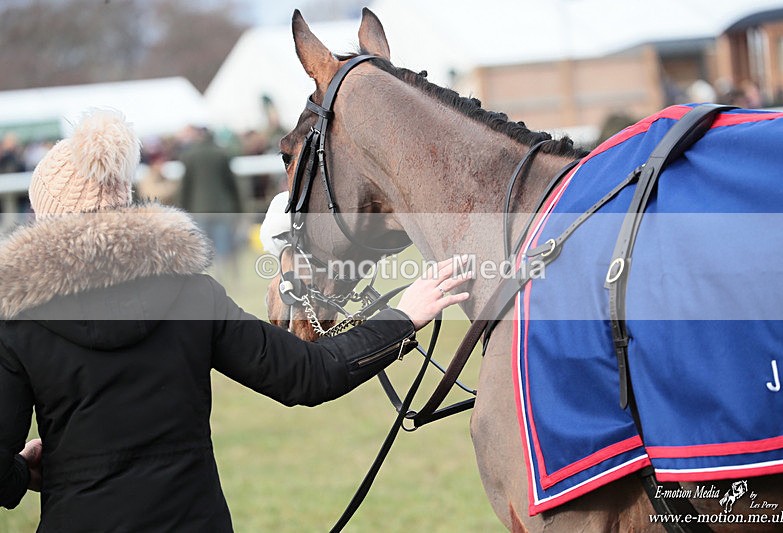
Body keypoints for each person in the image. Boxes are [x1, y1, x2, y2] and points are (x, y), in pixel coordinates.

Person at [0, 110, 470, 531]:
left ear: (46, 220)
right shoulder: (190, 294)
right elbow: (308, 375)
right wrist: (402, 317)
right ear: (126, 202)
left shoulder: (20, 323)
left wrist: (23, 471)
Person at [178, 125, 242, 281]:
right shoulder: (221, 154)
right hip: (222, 208)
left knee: (203, 246)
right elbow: (231, 184)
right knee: (223, 246)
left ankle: (209, 277)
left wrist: (181, 209)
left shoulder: (189, 156)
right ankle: (223, 276)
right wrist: (238, 207)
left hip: (199, 208)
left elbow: (185, 186)